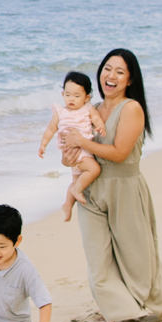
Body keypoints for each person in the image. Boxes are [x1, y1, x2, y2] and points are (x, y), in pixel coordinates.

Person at [58, 47, 162, 322]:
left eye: (119, 71)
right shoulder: (90, 110)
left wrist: (81, 143)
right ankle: (114, 314)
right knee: (98, 259)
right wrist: (69, 153)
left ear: (130, 80)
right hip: (91, 189)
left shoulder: (132, 109)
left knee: (137, 257)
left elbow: (120, 153)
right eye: (107, 68)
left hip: (124, 186)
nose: (110, 76)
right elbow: (70, 154)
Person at [38, 71, 105, 223]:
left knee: (75, 180)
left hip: (83, 148)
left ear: (87, 97)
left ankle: (68, 204)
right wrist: (43, 145)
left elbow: (96, 118)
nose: (71, 99)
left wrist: (100, 126)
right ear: (63, 94)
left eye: (76, 96)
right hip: (76, 152)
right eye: (68, 95)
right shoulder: (60, 112)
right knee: (94, 169)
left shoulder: (87, 108)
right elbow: (50, 129)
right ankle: (77, 191)